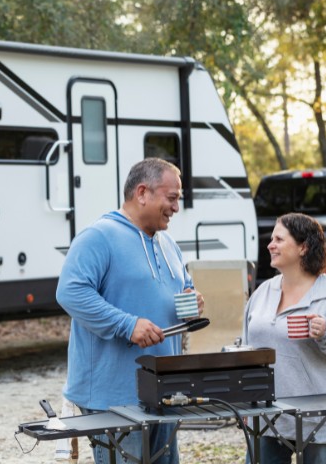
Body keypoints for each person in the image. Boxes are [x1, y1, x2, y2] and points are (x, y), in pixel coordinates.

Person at [56, 157, 203, 464]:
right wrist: (128, 325)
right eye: (172, 198)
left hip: (164, 392)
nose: (176, 207)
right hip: (115, 399)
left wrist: (191, 304)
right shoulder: (99, 237)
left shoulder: (168, 245)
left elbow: (180, 291)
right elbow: (70, 292)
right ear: (142, 193)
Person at [242, 213, 326, 464]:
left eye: (279, 239)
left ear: (303, 247)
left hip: (319, 417)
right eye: (271, 239)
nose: (270, 244)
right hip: (267, 414)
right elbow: (246, 346)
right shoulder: (263, 292)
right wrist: (245, 401)